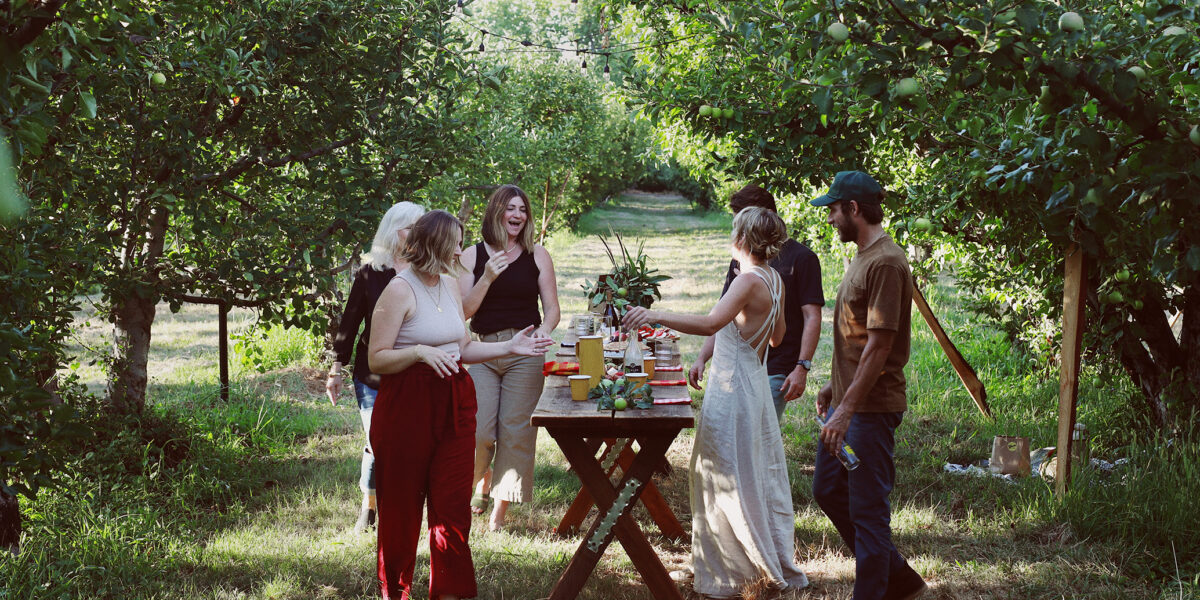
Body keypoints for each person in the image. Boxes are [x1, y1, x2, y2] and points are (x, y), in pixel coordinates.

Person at [623, 207, 809, 598]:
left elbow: (711, 323)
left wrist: (653, 314)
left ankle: (735, 574)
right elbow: (777, 338)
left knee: (723, 473)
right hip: (754, 384)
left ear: (742, 238)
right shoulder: (774, 278)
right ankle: (731, 563)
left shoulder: (747, 281)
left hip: (733, 389)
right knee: (747, 471)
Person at [367, 209, 553, 600]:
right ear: (436, 245)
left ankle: (450, 592)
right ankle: (395, 591)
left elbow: (463, 346)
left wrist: (509, 346)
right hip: (407, 408)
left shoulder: (450, 285)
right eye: (455, 240)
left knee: (452, 506)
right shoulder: (399, 289)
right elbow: (376, 358)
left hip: (455, 403)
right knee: (401, 510)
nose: (460, 248)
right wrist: (418, 352)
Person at [809, 171, 927, 600]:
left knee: (868, 515)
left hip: (869, 412)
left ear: (854, 209)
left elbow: (880, 347)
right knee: (827, 490)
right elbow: (858, 337)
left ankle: (881, 589)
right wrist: (833, 386)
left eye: (834, 210)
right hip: (850, 402)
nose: (831, 219)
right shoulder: (863, 255)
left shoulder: (887, 262)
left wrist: (847, 409)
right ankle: (905, 581)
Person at [457, 184, 560, 531]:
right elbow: (463, 312)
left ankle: (498, 515)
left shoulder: (537, 254)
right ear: (496, 212)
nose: (517, 215)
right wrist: (486, 277)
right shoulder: (471, 256)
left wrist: (541, 335)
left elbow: (552, 310)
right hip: (483, 350)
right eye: (510, 208)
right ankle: (474, 485)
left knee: (515, 432)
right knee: (479, 432)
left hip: (525, 351)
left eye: (523, 210)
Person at [327, 201, 426, 532]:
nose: (417, 234)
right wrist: (335, 369)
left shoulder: (425, 271)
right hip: (372, 374)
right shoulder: (371, 272)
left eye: (421, 227)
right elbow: (350, 321)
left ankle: (399, 507)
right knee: (378, 441)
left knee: (406, 444)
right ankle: (369, 505)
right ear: (394, 230)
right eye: (411, 227)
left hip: (412, 373)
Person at [689, 184, 823, 427]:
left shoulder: (803, 259)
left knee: (758, 437)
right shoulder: (742, 259)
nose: (737, 231)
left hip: (775, 369)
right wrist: (702, 358)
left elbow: (812, 317)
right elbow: (723, 314)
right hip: (736, 371)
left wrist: (802, 367)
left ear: (762, 218)